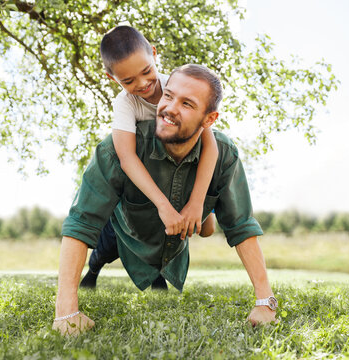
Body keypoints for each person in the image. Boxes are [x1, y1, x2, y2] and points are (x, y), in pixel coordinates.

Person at [52, 64, 277, 336]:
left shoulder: (224, 155)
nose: (169, 108)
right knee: (103, 252)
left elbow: (241, 226)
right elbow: (80, 222)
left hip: (170, 248)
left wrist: (266, 303)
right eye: (168, 96)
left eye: (187, 104)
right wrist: (66, 312)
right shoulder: (115, 150)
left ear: (209, 120)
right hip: (124, 232)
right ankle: (93, 275)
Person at [80, 25, 218, 290]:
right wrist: (163, 206)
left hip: (179, 173)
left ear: (154, 54)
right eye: (129, 81)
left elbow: (210, 145)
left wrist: (198, 202)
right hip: (143, 185)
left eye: (146, 72)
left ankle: (162, 271)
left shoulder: (176, 87)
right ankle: (94, 270)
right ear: (113, 79)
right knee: (112, 242)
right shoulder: (125, 104)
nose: (142, 84)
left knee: (206, 228)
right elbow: (126, 157)